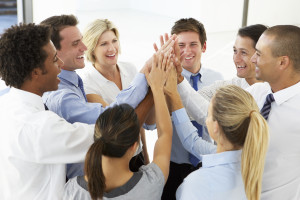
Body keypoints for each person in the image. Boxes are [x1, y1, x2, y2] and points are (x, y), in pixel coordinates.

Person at [40, 15, 150, 179]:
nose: (84, 47)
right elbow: (110, 121)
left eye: (114, 41)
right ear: (54, 51)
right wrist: (148, 79)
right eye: (76, 43)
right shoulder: (63, 96)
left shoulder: (74, 81)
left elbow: (146, 125)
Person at [0, 23, 94, 199]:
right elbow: (107, 136)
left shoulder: (5, 105)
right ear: (35, 73)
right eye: (54, 59)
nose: (61, 63)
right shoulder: (40, 126)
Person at [63, 50, 173, 200]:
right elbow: (165, 135)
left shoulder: (73, 189)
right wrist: (157, 89)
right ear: (134, 147)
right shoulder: (151, 183)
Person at [158, 18, 223, 200]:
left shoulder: (217, 79)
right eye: (181, 45)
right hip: (173, 166)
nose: (187, 51)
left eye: (193, 44)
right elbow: (149, 126)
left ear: (204, 46)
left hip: (207, 162)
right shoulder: (163, 79)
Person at [172, 84, 269, 200]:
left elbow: (192, 142)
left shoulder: (197, 184)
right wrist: (175, 97)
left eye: (209, 114)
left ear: (215, 127)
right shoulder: (261, 172)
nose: (206, 119)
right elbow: (193, 142)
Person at [79, 18, 151, 169]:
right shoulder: (88, 83)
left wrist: (145, 155)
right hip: (113, 162)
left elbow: (142, 124)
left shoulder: (130, 69)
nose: (112, 48)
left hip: (136, 154)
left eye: (114, 41)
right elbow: (116, 124)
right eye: (103, 44)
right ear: (92, 48)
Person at [247, 25, 300, 199]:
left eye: (259, 54)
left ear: (283, 62)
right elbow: (213, 117)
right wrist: (179, 82)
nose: (253, 59)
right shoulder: (256, 92)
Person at [177, 24, 267, 125]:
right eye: (235, 51)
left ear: (260, 54)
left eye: (243, 53)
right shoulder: (226, 88)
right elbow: (192, 107)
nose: (236, 59)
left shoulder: (275, 93)